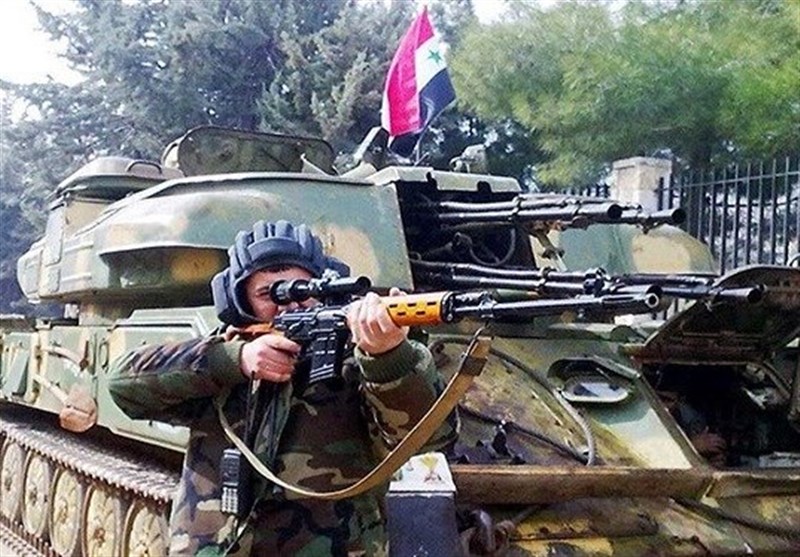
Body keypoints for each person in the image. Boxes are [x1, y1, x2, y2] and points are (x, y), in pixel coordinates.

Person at [108, 220, 458, 556]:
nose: (290, 302)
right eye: (268, 293)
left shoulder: (358, 358)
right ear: (240, 301)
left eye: (303, 288)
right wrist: (235, 360)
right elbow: (123, 385)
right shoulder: (225, 355)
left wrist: (389, 358)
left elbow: (429, 439)